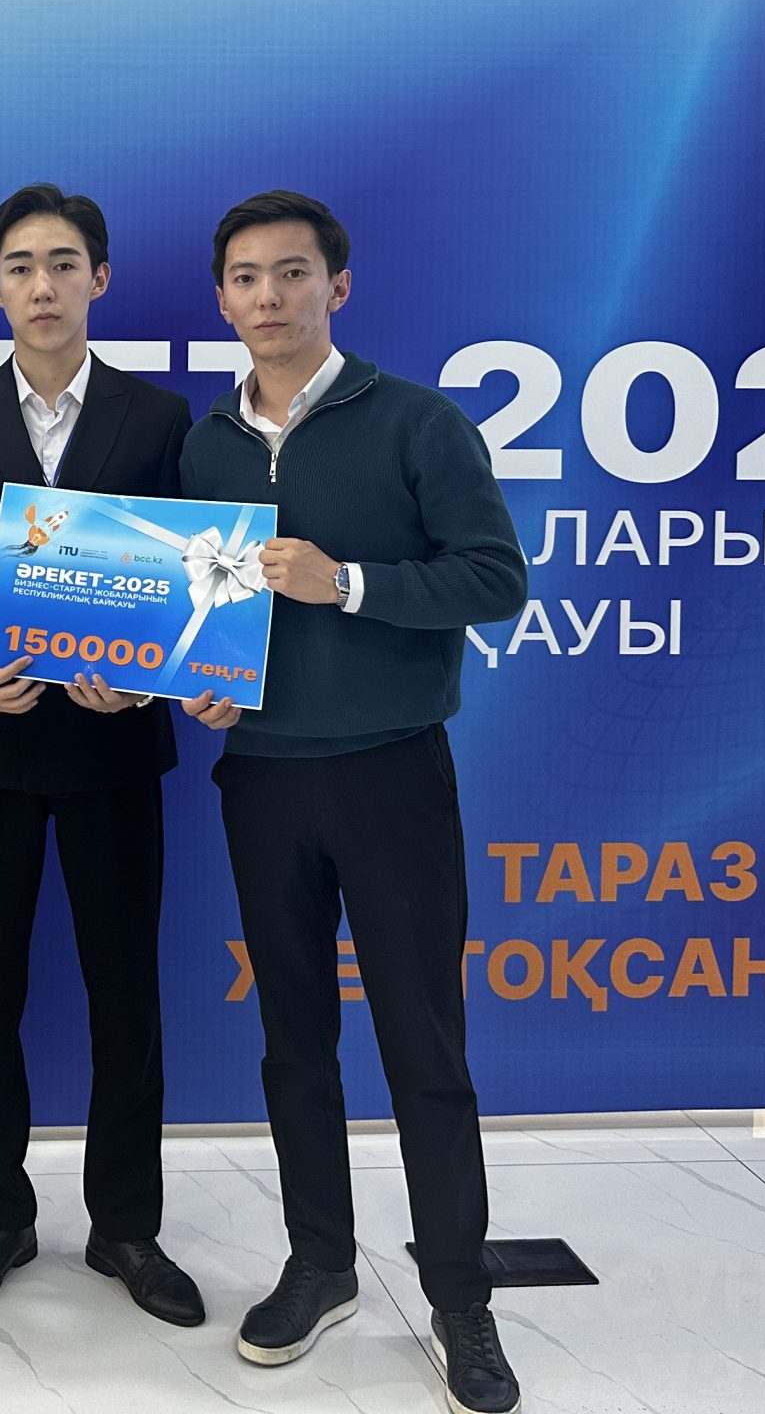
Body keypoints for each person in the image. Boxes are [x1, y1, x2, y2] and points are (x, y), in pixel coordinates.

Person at [179, 189, 528, 1414]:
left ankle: (460, 1299)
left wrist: (348, 584)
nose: (267, 297)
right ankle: (320, 1263)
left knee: (424, 1046)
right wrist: (199, 682)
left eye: (291, 273)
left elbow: (494, 579)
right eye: (244, 278)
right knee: (292, 1042)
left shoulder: (417, 422)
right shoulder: (205, 445)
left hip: (390, 773)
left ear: (337, 285)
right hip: (260, 777)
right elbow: (202, 608)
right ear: (221, 299)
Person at [0, 183, 203, 1323]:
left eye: (64, 263)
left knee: (125, 993)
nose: (44, 285)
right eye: (22, 267)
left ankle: (127, 1227)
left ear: (100, 279)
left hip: (113, 749)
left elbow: (194, 580)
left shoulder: (159, 417)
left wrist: (152, 672)